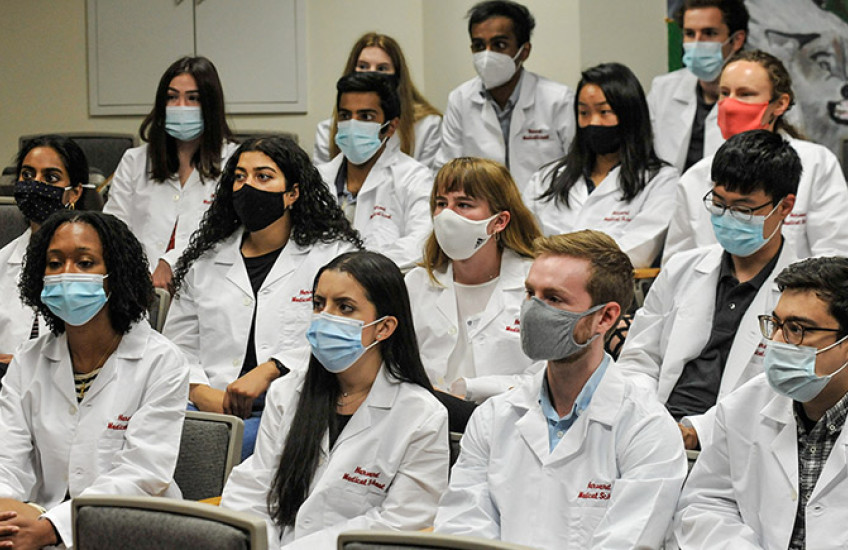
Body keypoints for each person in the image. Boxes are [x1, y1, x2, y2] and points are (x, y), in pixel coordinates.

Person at [435, 230, 686, 548]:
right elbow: (461, 529)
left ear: (605, 317)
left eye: (554, 299)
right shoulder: (492, 418)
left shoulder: (647, 428)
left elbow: (627, 542)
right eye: (531, 294)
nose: (532, 311)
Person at [221, 251, 449, 549]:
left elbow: (401, 523)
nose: (325, 317)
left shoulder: (422, 415)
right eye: (319, 304)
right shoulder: (287, 392)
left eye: (345, 307)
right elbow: (254, 489)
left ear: (384, 327)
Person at [164, 136, 361, 460]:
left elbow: (344, 334)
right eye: (240, 177)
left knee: (221, 452)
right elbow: (177, 344)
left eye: (263, 177)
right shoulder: (206, 259)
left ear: (293, 193)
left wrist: (271, 369)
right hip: (208, 401)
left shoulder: (332, 256)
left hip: (294, 401)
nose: (248, 187)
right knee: (156, 440)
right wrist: (198, 391)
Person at [0, 210, 188, 549]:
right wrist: (7, 510)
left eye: (85, 263)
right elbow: (7, 460)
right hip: (32, 523)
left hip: (127, 531)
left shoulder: (162, 362)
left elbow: (141, 475)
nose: (66, 274)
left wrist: (53, 527)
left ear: (117, 275)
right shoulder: (28, 360)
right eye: (54, 263)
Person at [617, 130, 801, 451]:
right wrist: (651, 420)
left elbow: (782, 391)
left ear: (785, 207)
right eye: (718, 203)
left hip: (738, 444)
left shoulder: (804, 294)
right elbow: (639, 357)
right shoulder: (681, 269)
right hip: (654, 427)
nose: (727, 217)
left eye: (743, 209)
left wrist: (696, 433)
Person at [674, 256, 848, 549]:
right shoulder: (743, 407)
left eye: (797, 329)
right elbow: (706, 502)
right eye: (776, 324)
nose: (776, 341)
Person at [664, 50, 848, 264]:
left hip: (798, 284)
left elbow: (834, 255)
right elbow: (677, 264)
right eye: (724, 93)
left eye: (745, 94)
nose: (730, 105)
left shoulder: (816, 163)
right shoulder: (694, 178)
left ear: (779, 104)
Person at [405, 157, 542, 402]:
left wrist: (470, 389)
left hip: (512, 416)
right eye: (441, 203)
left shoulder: (537, 283)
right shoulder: (416, 283)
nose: (447, 215)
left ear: (499, 221)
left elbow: (548, 375)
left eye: (463, 204)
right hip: (428, 416)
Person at [523, 62, 678, 269]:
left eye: (604, 112)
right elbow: (523, 240)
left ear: (629, 116)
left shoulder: (660, 180)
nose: (593, 122)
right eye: (584, 113)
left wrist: (566, 265)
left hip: (614, 286)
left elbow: (638, 251)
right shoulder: (546, 179)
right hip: (544, 282)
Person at [104, 56, 237, 290]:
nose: (180, 106)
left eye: (193, 98)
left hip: (209, 286)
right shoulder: (135, 161)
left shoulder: (235, 162)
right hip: (139, 286)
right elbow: (114, 230)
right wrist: (139, 275)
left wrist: (170, 261)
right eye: (172, 97)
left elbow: (226, 231)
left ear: (210, 105)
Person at [434, 0, 575, 190]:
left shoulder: (559, 100)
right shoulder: (460, 100)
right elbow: (447, 171)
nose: (487, 55)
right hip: (482, 206)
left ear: (524, 52)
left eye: (499, 45)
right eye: (479, 45)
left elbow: (577, 168)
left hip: (546, 206)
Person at [316, 73, 432, 270]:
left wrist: (354, 270)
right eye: (345, 116)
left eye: (366, 117)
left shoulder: (414, 178)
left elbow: (421, 244)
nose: (352, 124)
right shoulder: (319, 180)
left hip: (384, 283)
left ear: (390, 127)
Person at [0, 136, 88, 369]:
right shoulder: (3, 261)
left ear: (75, 192)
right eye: (27, 175)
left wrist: (27, 364)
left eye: (50, 178)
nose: (36, 185)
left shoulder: (101, 260)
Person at [313, 32, 442, 169]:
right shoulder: (327, 131)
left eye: (381, 68)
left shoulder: (427, 126)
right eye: (363, 66)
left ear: (398, 77)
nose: (371, 74)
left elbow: (428, 178)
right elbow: (321, 178)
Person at [648, 0, 748, 172]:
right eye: (689, 33)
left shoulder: (761, 94)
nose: (697, 42)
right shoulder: (663, 89)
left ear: (736, 40)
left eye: (709, 33)